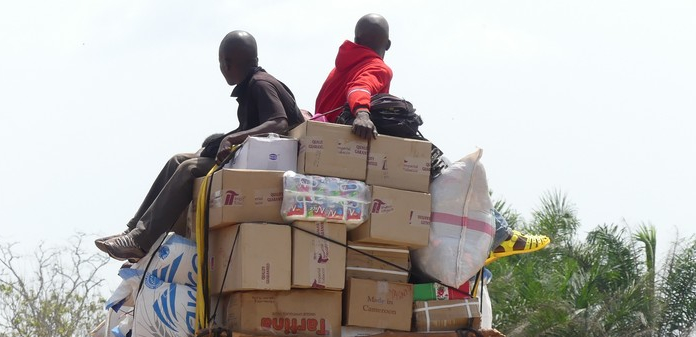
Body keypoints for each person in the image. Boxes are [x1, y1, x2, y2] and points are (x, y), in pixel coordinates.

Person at [314, 14, 550, 258]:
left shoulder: (336, 72)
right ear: (388, 44)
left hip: (334, 155)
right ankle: (502, 236)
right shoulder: (377, 67)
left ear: (356, 39)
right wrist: (362, 113)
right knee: (450, 172)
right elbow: (360, 88)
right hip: (358, 148)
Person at [96, 31, 306, 262]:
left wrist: (232, 140)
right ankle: (134, 231)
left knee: (189, 169)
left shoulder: (260, 84)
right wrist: (219, 142)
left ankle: (141, 242)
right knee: (178, 160)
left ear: (226, 62)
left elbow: (279, 122)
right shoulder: (252, 85)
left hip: (268, 165)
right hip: (253, 157)